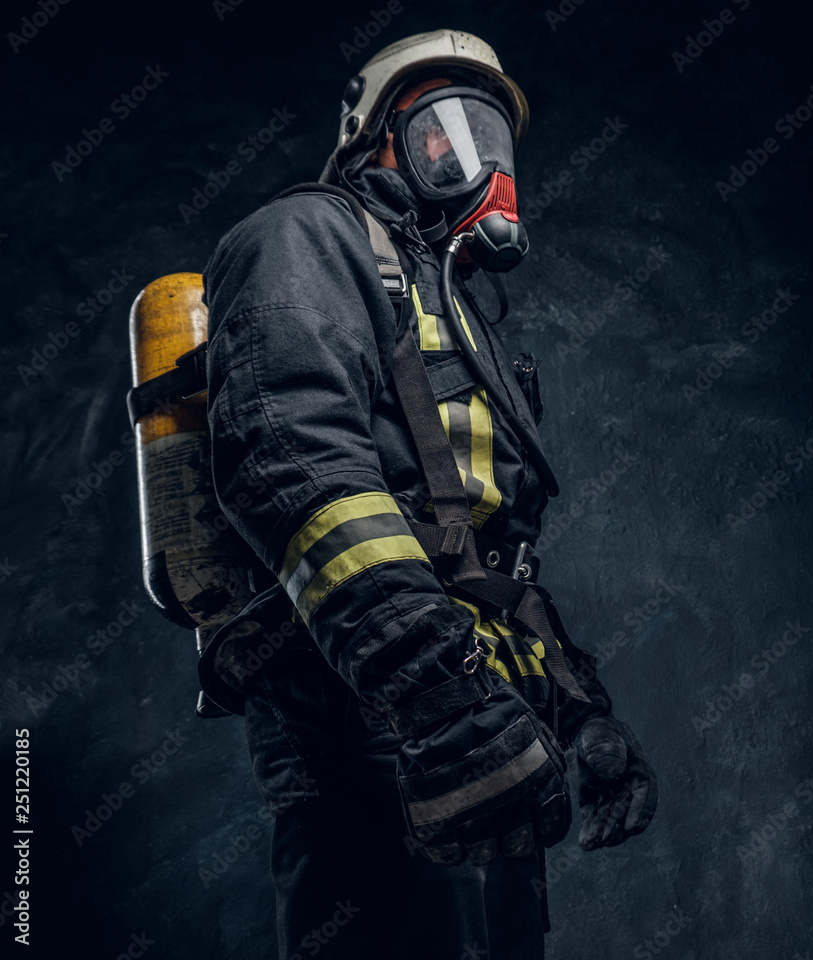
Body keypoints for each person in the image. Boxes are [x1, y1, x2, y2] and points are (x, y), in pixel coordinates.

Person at [197, 28, 658, 960]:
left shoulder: (448, 306)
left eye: (490, 135)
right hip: (370, 730)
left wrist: (578, 715)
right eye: (442, 130)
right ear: (374, 144)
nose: (476, 161)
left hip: (483, 736)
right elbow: (293, 470)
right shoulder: (306, 238)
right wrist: (442, 701)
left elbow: (487, 564)